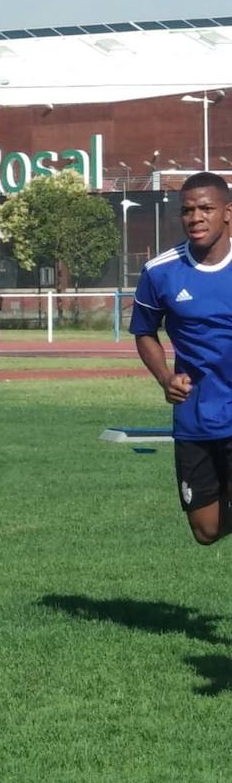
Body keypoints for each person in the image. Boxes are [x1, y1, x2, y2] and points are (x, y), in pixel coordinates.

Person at [131, 173, 232, 546]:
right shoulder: (160, 272)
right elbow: (144, 332)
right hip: (196, 417)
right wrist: (164, 378)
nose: (196, 217)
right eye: (188, 210)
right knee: (205, 531)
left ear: (227, 213)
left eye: (206, 208)